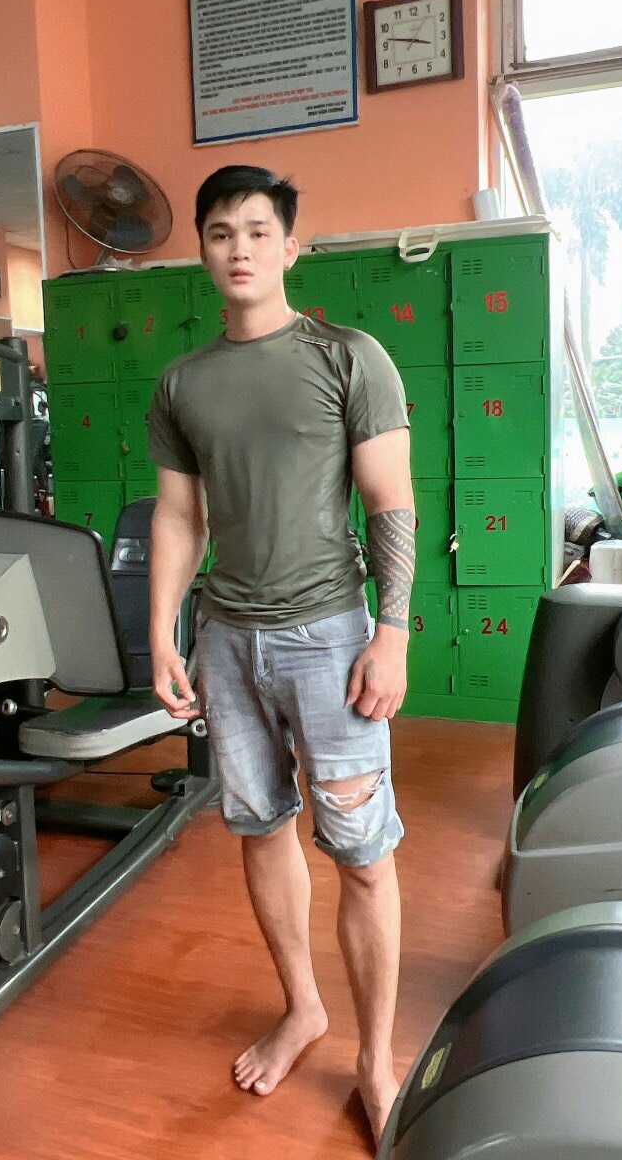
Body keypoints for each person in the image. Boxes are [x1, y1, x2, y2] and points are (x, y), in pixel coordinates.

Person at [147, 165, 415, 1148]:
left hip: (330, 638)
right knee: (261, 828)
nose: (240, 248)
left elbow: (390, 501)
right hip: (226, 639)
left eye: (259, 231)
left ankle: (377, 1060)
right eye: (221, 232)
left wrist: (392, 631)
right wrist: (162, 627)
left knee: (364, 856)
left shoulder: (349, 357)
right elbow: (181, 516)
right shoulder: (183, 382)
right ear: (203, 249)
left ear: (291, 246)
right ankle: (303, 1007)